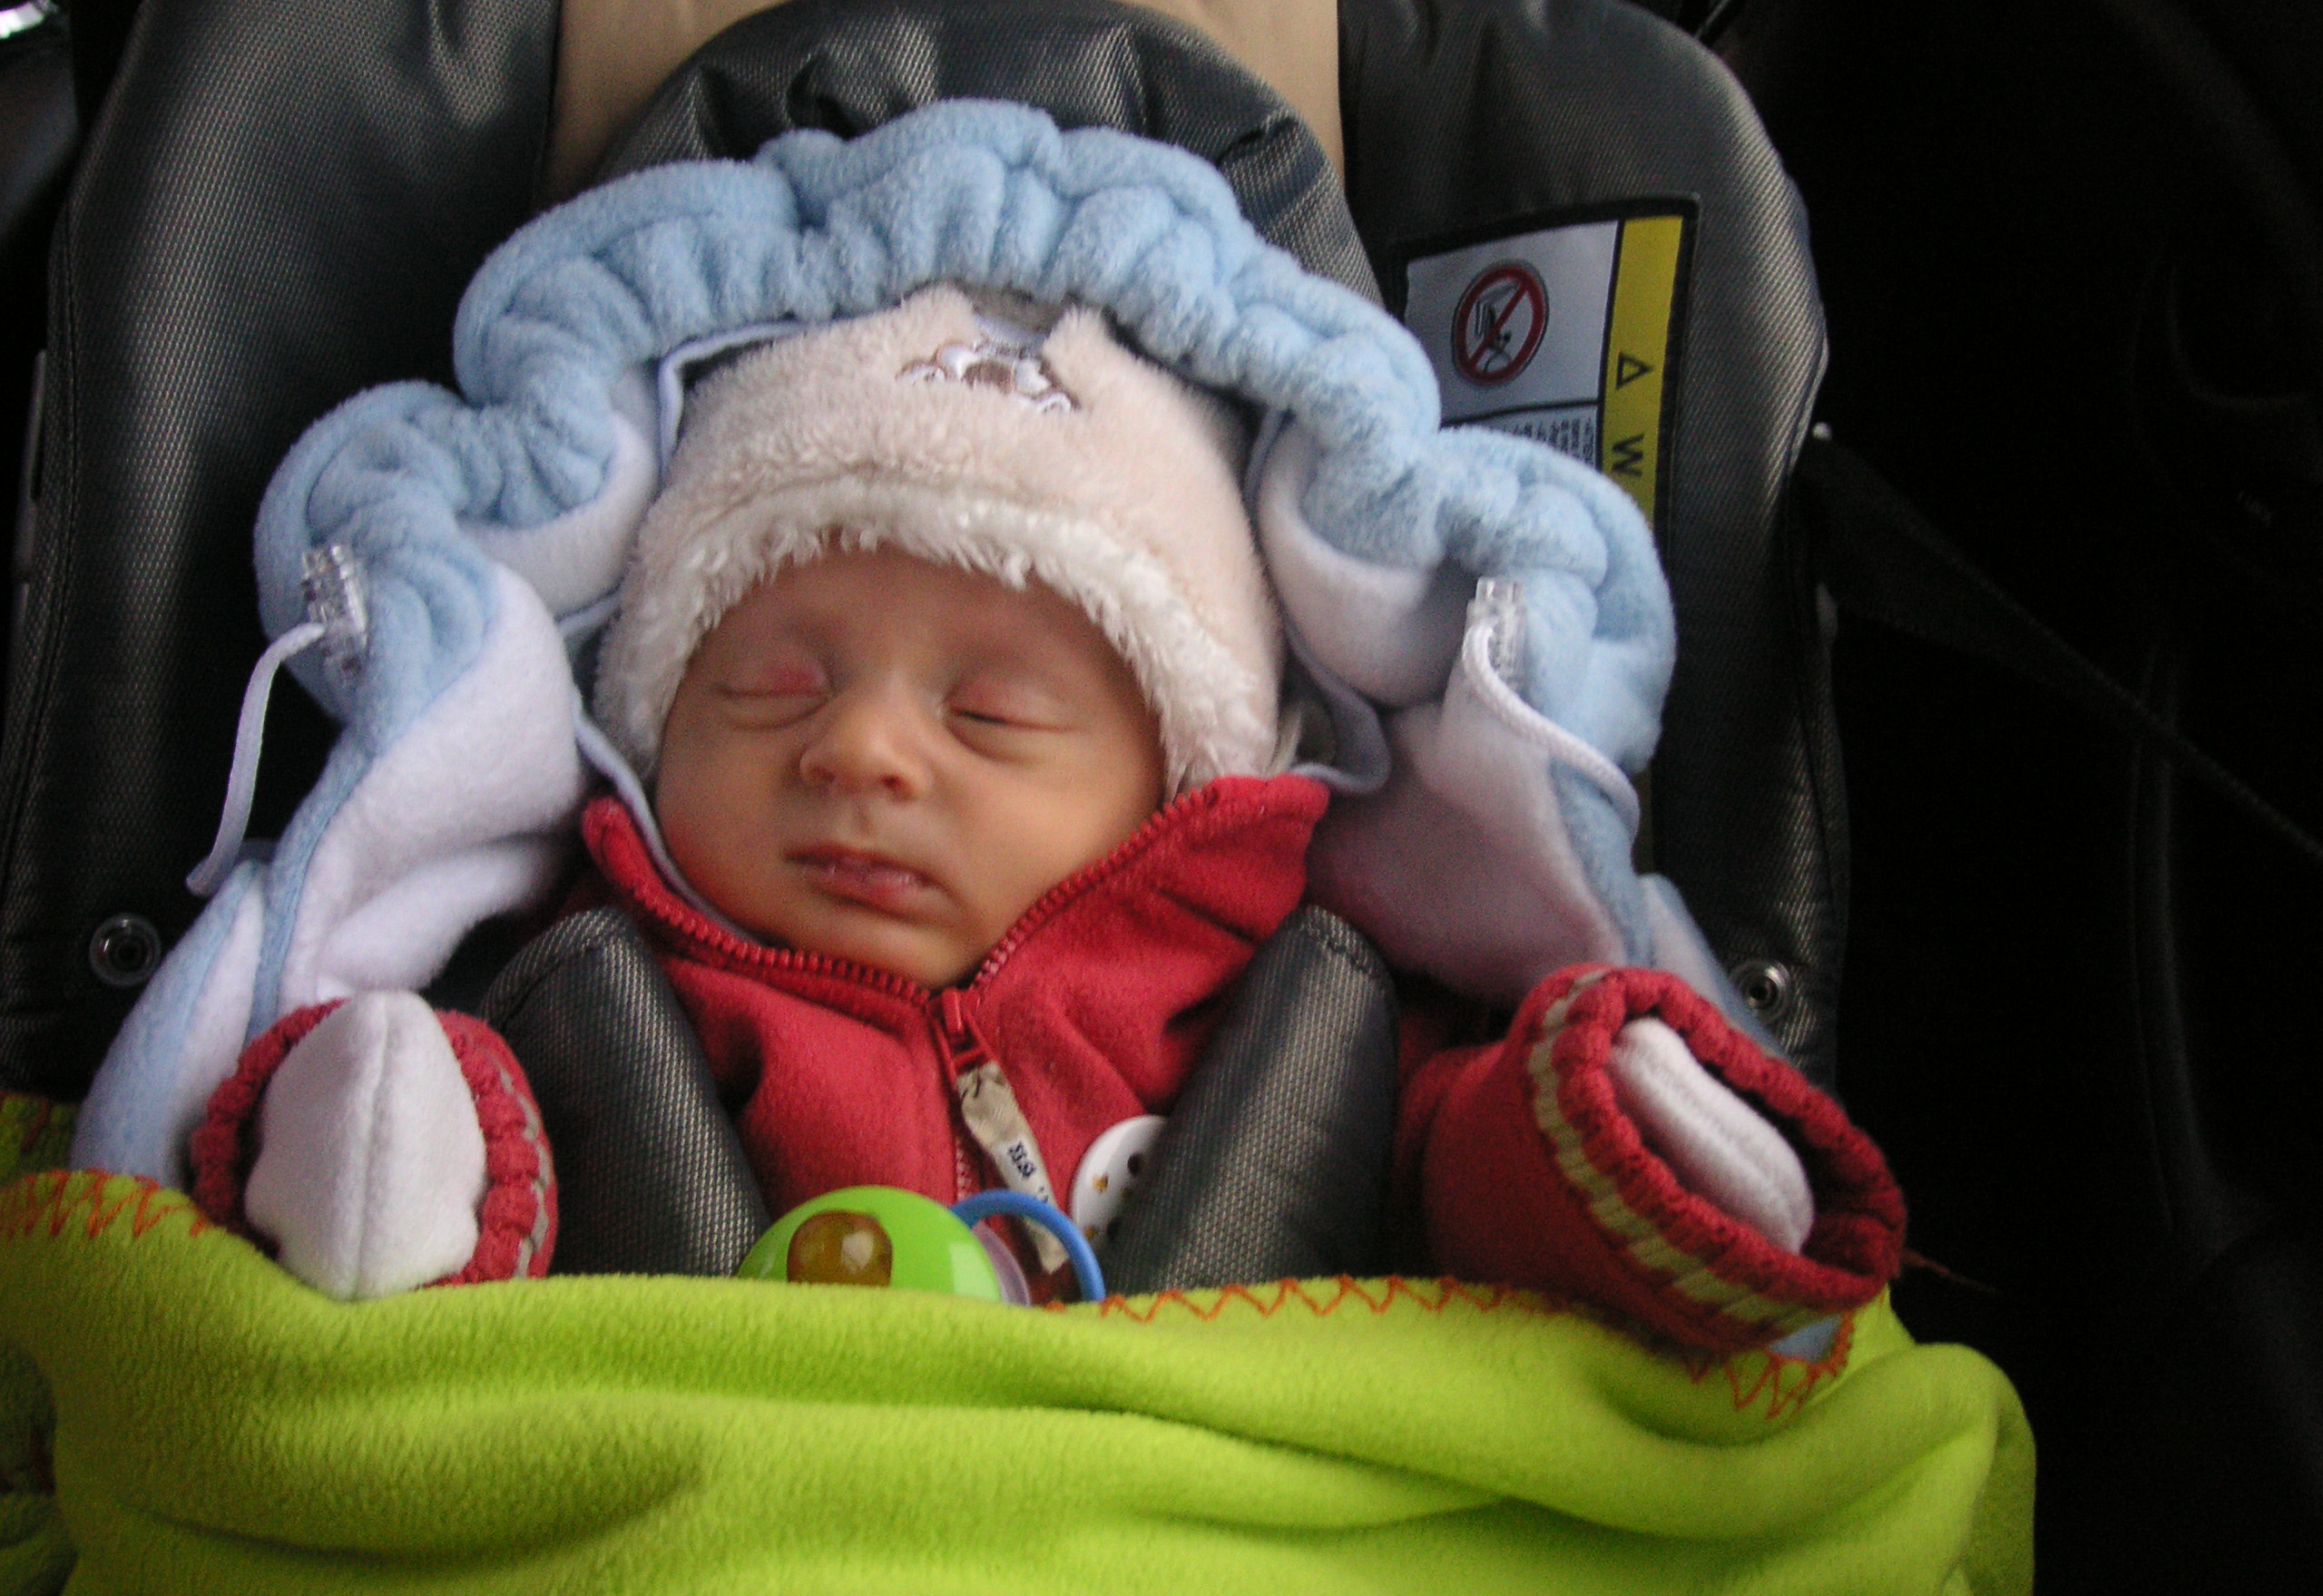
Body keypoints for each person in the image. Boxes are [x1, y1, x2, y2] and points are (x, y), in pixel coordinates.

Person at [190, 280, 1904, 1353]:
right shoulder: (588, 974)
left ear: (1182, 780)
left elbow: (1441, 1200)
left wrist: (1592, 1157)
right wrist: (414, 1154)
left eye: (993, 712)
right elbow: (482, 1218)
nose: (861, 750)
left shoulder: (1292, 1005)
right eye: (768, 687)